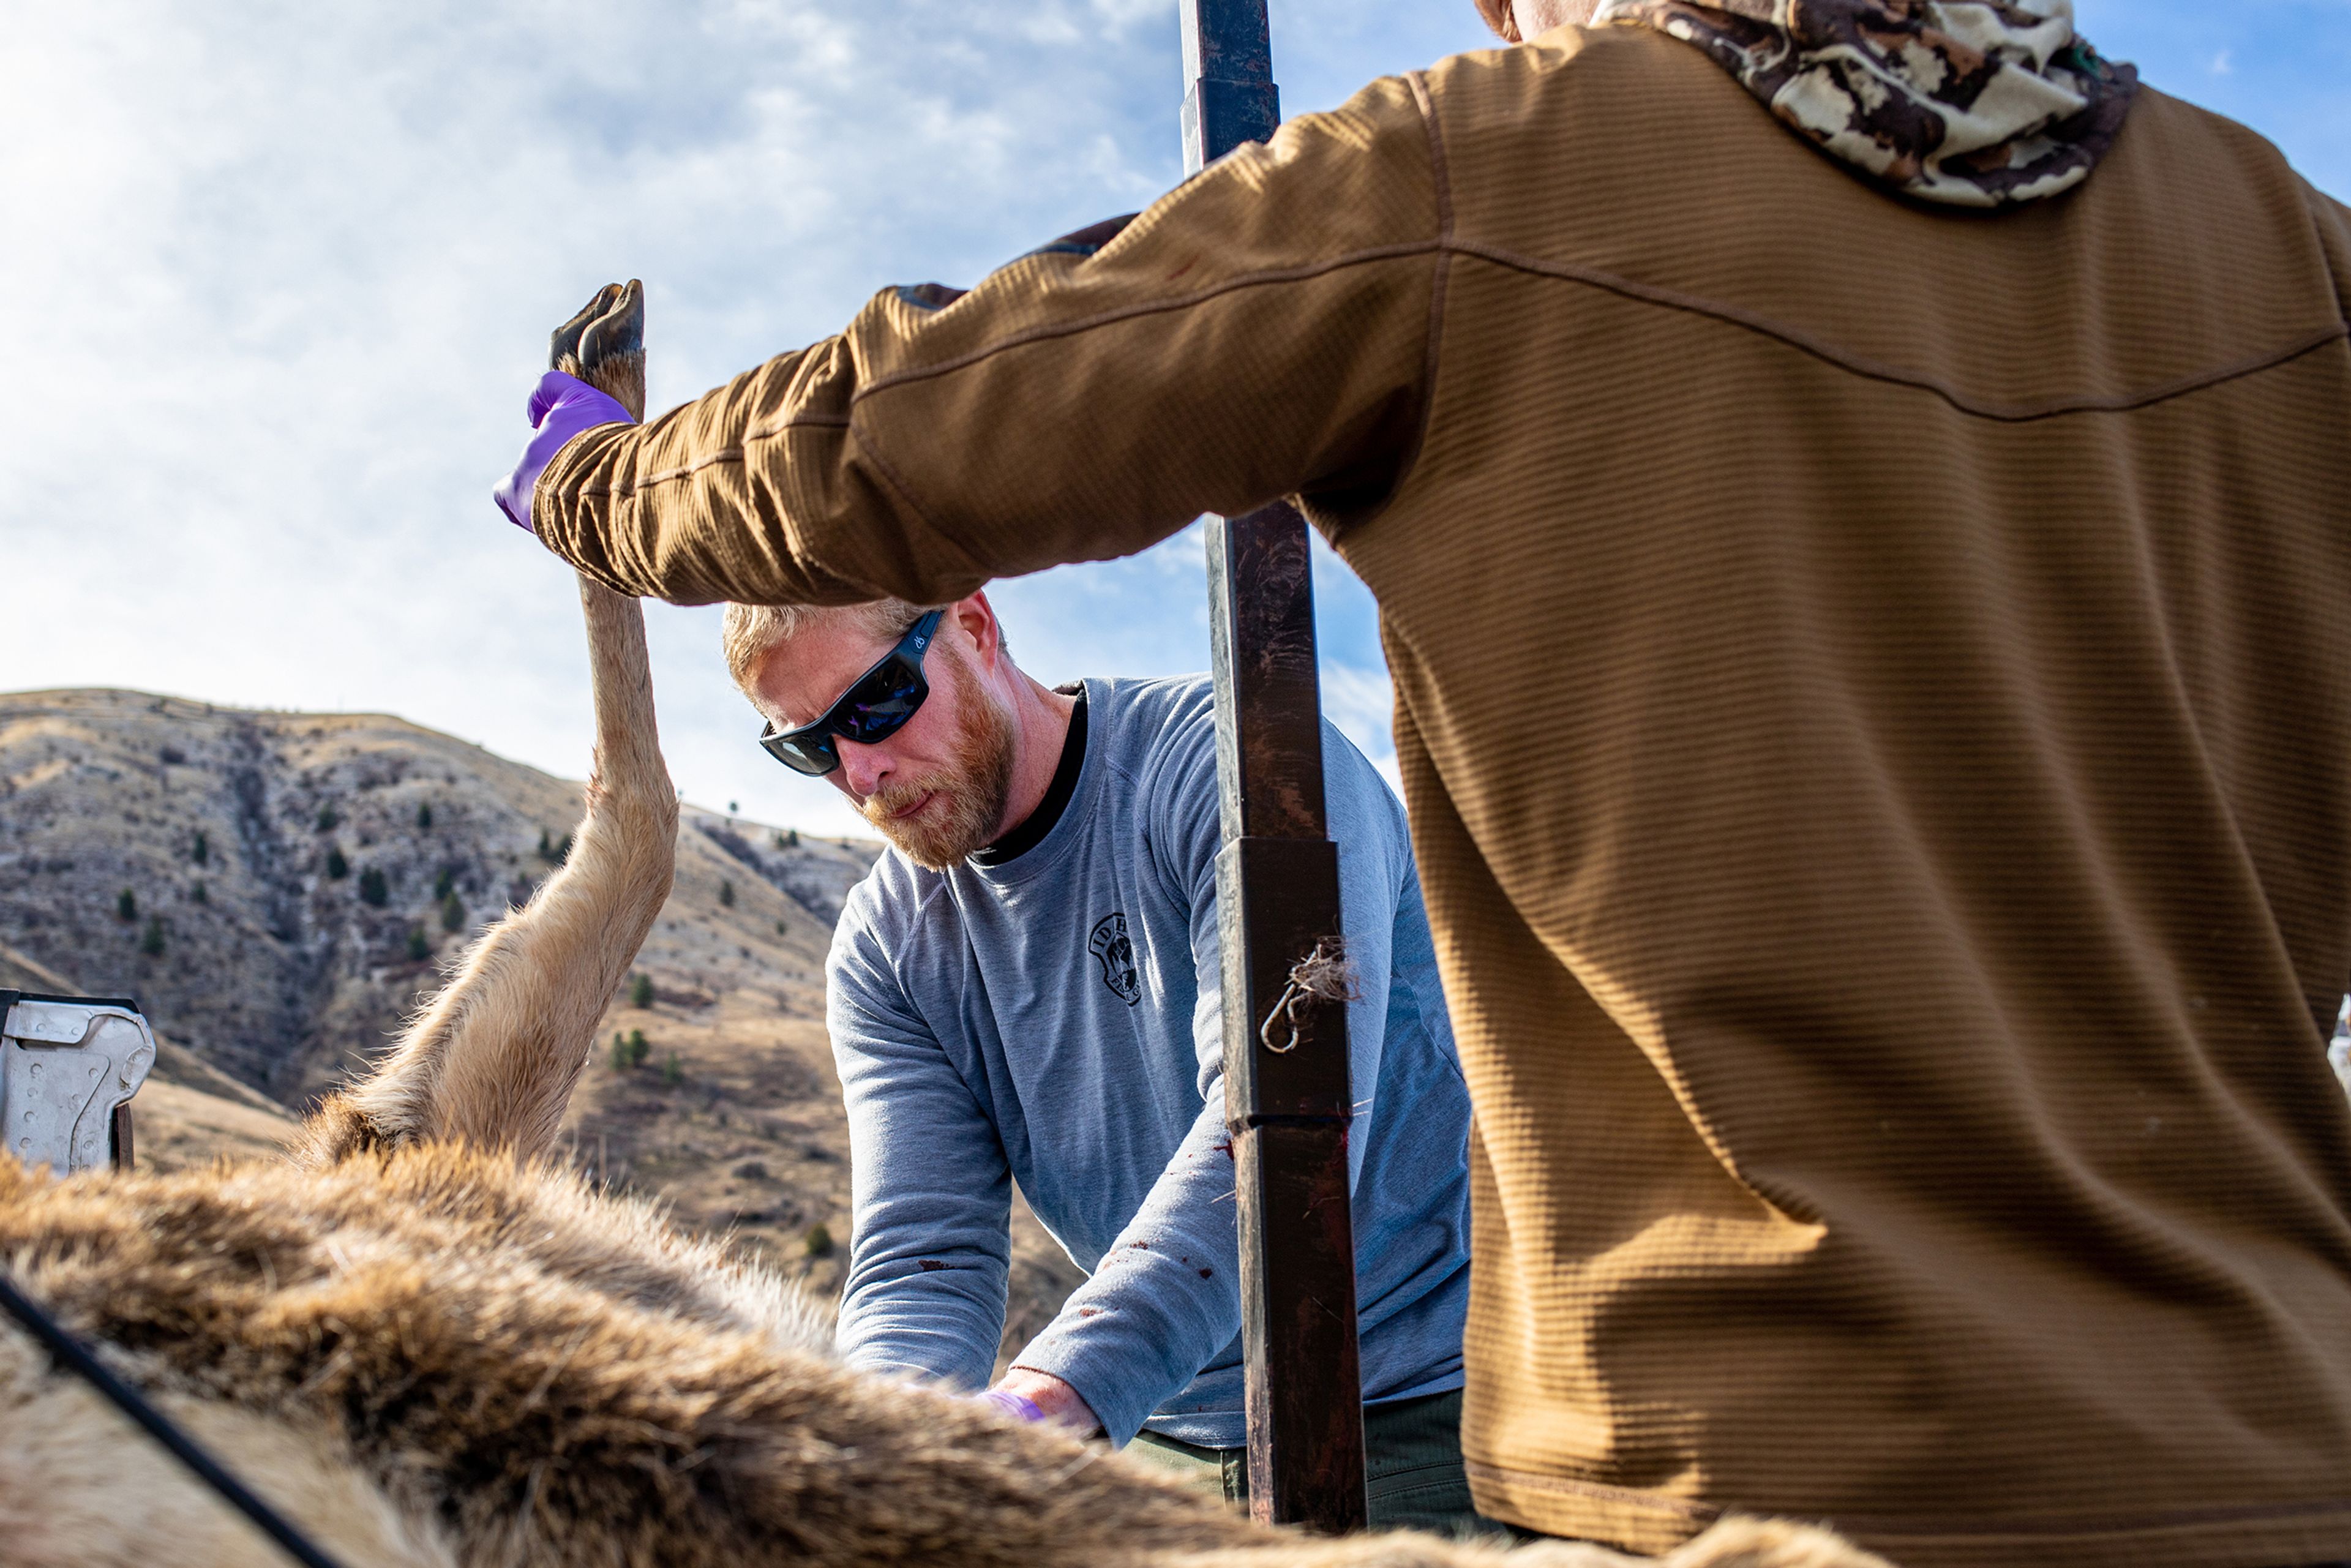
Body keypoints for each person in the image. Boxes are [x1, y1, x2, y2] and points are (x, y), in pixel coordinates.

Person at [496, 1, 2351, 1562]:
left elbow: (913, 422)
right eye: (806, 748)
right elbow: (919, 1247)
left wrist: (602, 485)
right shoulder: (2292, 253)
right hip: (2277, 1450)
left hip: (1747, 1477)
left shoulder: (1491, 177)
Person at [720, 589, 1485, 1532]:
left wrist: (1043, 1403)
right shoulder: (888, 948)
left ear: (975, 625)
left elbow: (1278, 1135)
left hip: (1417, 1421)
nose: (863, 770)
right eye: (811, 747)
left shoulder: (1248, 765)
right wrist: (880, 1456)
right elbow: (924, 1256)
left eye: (877, 705)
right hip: (1150, 1451)